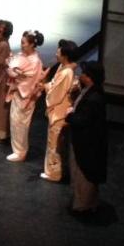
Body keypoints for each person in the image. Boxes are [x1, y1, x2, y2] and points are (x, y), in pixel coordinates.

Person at [66, 61, 108, 214]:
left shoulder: (94, 98)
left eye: (83, 73)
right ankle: (84, 202)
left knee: (84, 174)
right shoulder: (90, 91)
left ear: (89, 77)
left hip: (88, 143)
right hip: (84, 141)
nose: (80, 74)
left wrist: (69, 116)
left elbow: (83, 120)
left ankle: (84, 205)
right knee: (80, 172)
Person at [41, 39, 78, 182]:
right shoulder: (63, 68)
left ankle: (54, 173)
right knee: (55, 142)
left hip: (59, 111)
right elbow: (54, 85)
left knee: (55, 144)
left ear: (65, 55)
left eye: (58, 50)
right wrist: (46, 86)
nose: (56, 52)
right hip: (59, 109)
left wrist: (45, 86)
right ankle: (54, 171)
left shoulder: (66, 72)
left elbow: (55, 94)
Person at [5, 30, 45, 162]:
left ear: (32, 44)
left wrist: (15, 75)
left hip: (25, 95)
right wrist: (11, 69)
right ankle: (16, 149)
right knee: (14, 121)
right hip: (17, 92)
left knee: (21, 124)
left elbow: (30, 81)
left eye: (24, 43)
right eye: (21, 42)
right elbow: (16, 68)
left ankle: (20, 151)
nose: (21, 45)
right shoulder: (22, 55)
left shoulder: (35, 61)